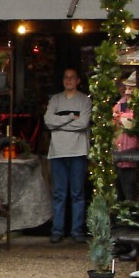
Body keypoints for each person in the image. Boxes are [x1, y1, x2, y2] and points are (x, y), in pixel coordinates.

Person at [44, 68, 92, 243]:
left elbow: (83, 123)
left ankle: (77, 231)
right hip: (57, 152)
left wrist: (60, 122)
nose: (69, 80)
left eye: (72, 77)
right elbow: (48, 121)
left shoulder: (84, 101)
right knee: (59, 194)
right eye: (66, 77)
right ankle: (57, 230)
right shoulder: (55, 99)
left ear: (78, 80)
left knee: (77, 193)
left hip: (78, 151)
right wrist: (71, 117)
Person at [112, 74, 138, 202]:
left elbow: (133, 120)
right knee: (118, 196)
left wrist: (122, 117)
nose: (127, 91)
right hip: (118, 157)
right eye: (127, 87)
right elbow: (114, 116)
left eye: (132, 88)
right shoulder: (122, 102)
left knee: (130, 196)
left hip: (132, 161)